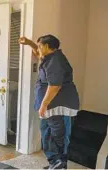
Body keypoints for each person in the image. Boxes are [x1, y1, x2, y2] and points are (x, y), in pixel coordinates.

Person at [18, 34, 80, 169]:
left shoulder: (55, 61)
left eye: (40, 46)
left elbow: (55, 85)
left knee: (57, 134)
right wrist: (29, 43)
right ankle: (54, 162)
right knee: (46, 131)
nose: (38, 49)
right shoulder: (50, 57)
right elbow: (38, 53)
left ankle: (60, 163)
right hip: (51, 105)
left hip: (56, 104)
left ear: (47, 46)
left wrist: (44, 104)